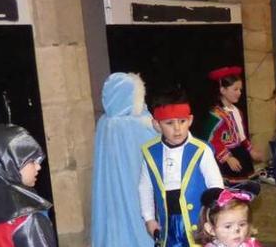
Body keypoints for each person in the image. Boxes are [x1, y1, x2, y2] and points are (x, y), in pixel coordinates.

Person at [140, 90, 224, 247]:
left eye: (182, 121)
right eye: (169, 123)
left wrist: (215, 217)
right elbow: (145, 188)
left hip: (199, 222)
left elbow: (216, 186)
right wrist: (149, 219)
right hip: (168, 225)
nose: (177, 129)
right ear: (156, 124)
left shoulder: (201, 150)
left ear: (190, 120)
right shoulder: (150, 153)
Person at [91, 72, 158, 247]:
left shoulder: (105, 122)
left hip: (112, 190)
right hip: (135, 186)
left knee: (115, 218)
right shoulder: (137, 123)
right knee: (136, 218)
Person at [199, 66, 261, 183]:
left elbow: (241, 136)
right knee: (232, 192)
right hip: (226, 159)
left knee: (246, 190)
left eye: (240, 89)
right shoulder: (215, 115)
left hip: (240, 155)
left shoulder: (237, 111)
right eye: (235, 89)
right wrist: (228, 158)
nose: (239, 93)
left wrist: (251, 150)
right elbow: (211, 140)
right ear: (223, 90)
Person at [196, 183, 263, 247]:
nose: (237, 229)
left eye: (242, 224)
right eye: (228, 226)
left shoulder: (252, 245)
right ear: (211, 229)